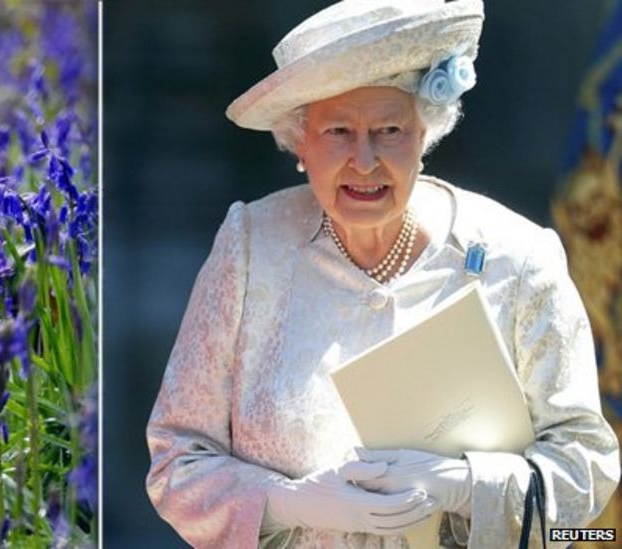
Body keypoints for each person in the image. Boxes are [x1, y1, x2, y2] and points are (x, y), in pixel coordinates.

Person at [144, 1, 621, 547]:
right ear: (300, 142)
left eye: (389, 130)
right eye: (339, 132)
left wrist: (466, 486)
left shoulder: (518, 257)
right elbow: (177, 461)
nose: (365, 161)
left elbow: (587, 465)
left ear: (425, 134)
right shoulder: (250, 249)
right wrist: (290, 502)